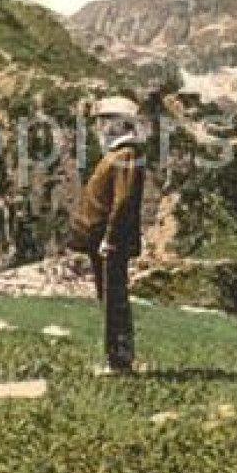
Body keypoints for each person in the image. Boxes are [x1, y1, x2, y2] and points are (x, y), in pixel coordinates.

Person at [68, 97, 146, 373]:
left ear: (120, 123)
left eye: (105, 120)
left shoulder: (125, 155)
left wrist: (110, 239)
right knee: (111, 299)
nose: (100, 126)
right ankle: (118, 358)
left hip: (109, 242)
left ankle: (120, 362)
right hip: (105, 241)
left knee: (114, 301)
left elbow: (123, 203)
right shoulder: (121, 154)